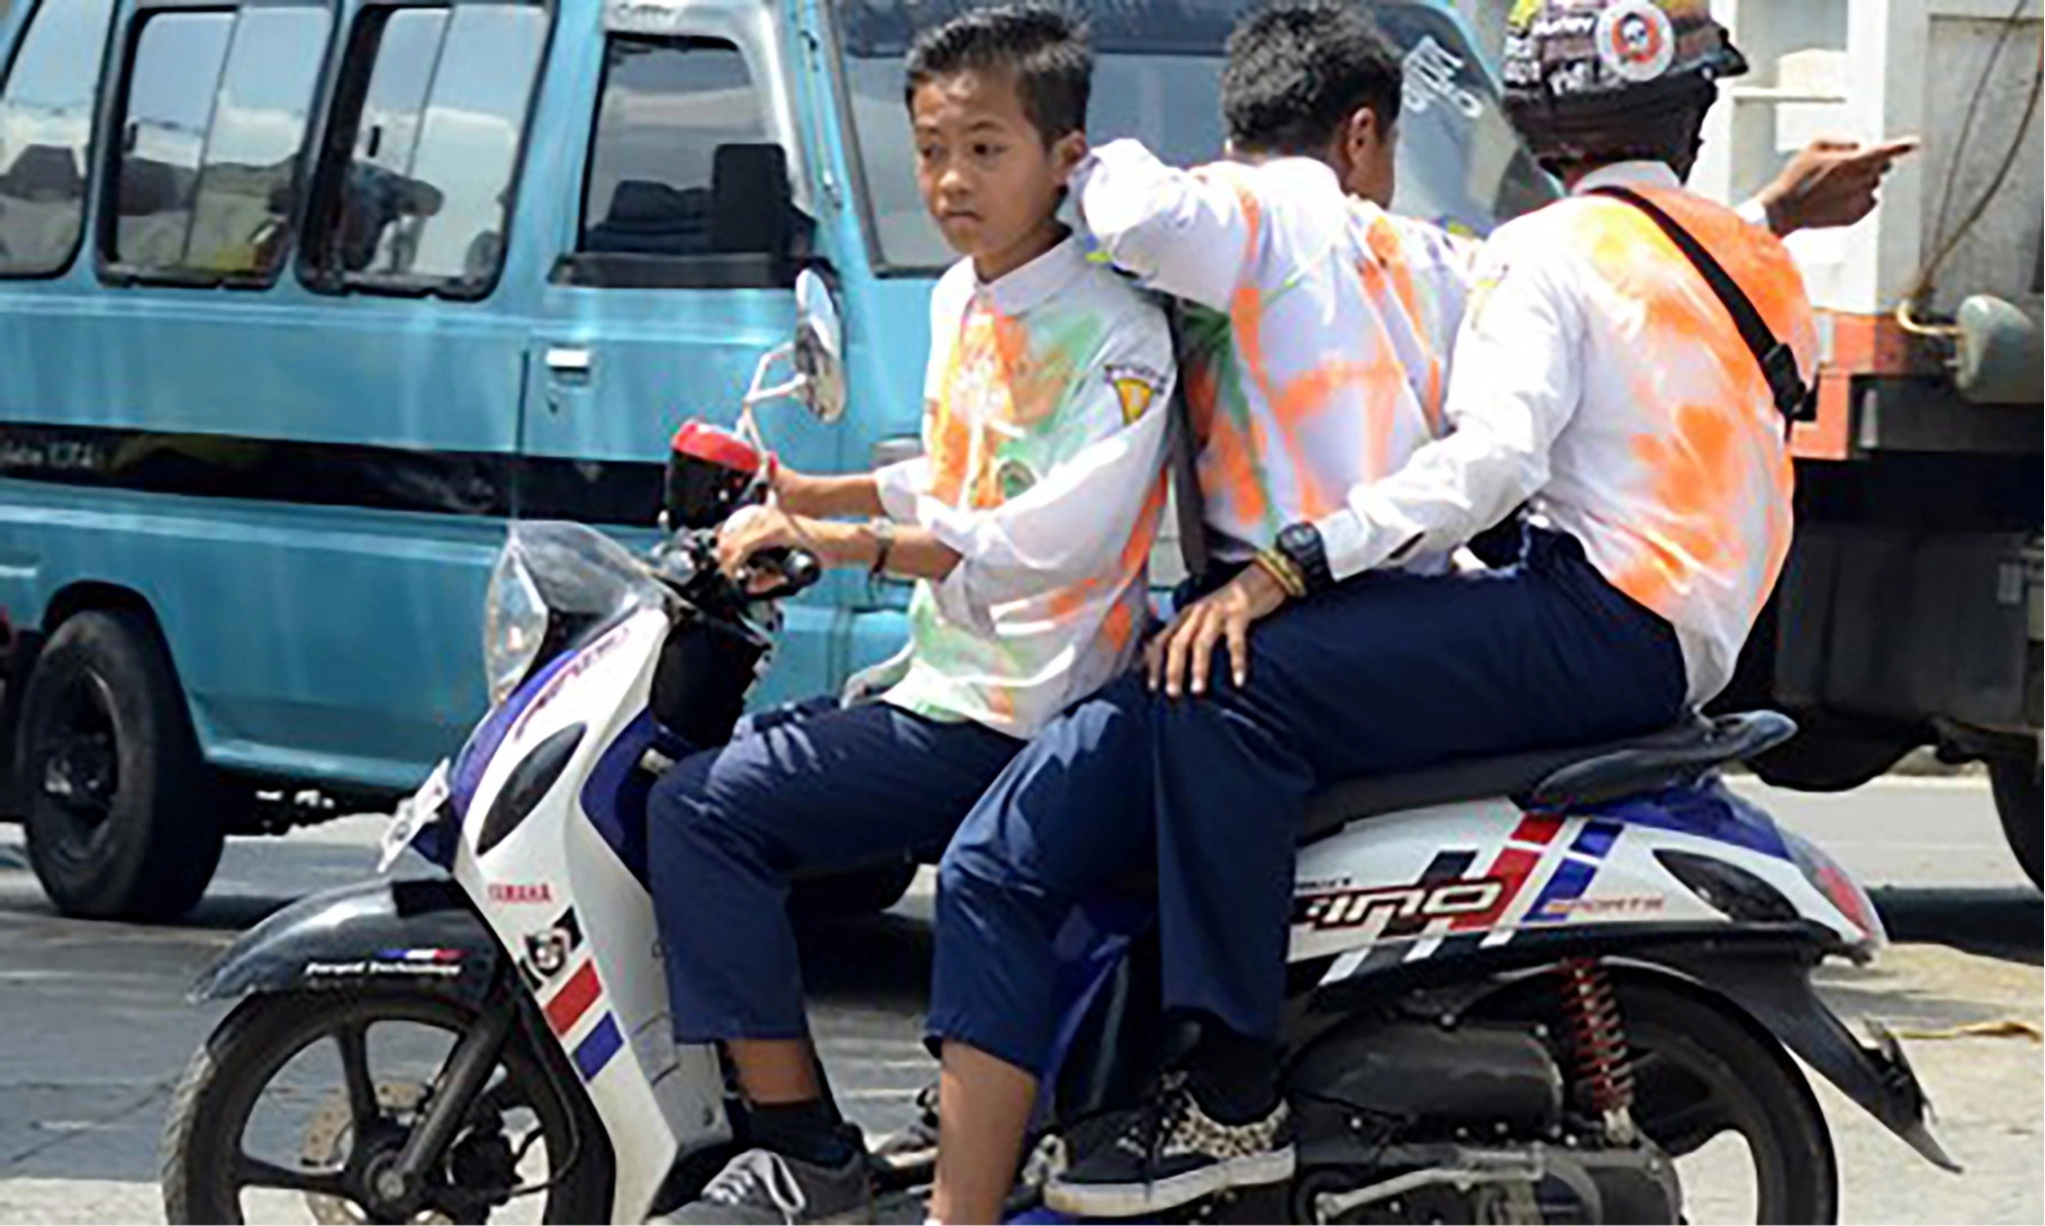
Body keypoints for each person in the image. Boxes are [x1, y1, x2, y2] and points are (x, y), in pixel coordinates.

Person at [926, 1, 1838, 1221]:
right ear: (1697, 114)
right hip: (1689, 638)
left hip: (1590, 614)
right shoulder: (1731, 254)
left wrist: (1286, 565)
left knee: (1221, 683)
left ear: (1534, 114)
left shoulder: (1532, 247)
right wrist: (1778, 209)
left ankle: (1229, 1097)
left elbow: (1495, 461)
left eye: (981, 148)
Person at [923, 6, 1476, 1222]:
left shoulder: (1253, 210)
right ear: (1364, 130)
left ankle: (1208, 1110)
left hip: (1271, 614)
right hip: (1403, 618)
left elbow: (1132, 217)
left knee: (999, 863)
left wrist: (1098, 158)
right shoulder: (1430, 252)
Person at [647, 8, 1175, 1223]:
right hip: (941, 678)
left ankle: (798, 1143)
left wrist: (847, 540)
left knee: (700, 809)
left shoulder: (1118, 329)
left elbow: (1059, 537)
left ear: (1064, 155)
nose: (950, 180)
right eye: (931, 149)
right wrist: (804, 490)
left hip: (1026, 703)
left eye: (985, 150)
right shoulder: (957, 299)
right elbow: (959, 469)